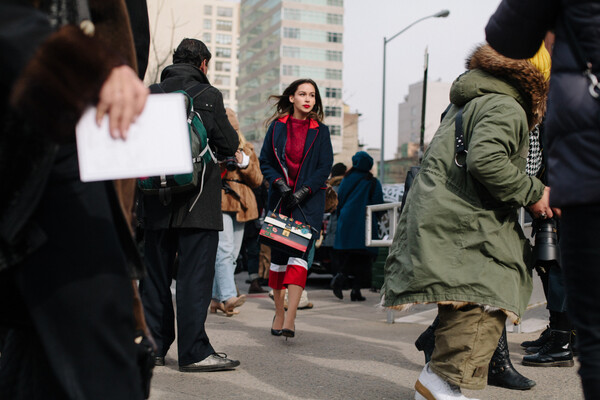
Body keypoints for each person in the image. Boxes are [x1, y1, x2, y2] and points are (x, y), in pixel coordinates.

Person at [382, 43, 552, 399]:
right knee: (485, 298)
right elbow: (487, 160)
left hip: (448, 217)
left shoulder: (471, 98)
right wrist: (534, 192)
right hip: (466, 222)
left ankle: (441, 383)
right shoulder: (507, 105)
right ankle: (441, 385)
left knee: (468, 300)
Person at [0, 1, 151, 398]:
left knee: (42, 359)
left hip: (86, 142)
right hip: (41, 140)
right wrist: (91, 66)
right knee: (105, 361)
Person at [486, 3, 600, 397]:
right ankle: (559, 336)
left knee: (591, 326)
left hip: (586, 169)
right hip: (577, 170)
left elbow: (506, 37)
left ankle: (561, 338)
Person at [138, 38, 240, 372]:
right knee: (194, 279)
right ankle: (194, 351)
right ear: (203, 64)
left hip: (155, 202)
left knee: (154, 279)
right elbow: (228, 143)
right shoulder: (208, 95)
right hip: (198, 203)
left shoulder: (150, 93)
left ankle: (153, 348)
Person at [259, 78, 333, 338]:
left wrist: (304, 191)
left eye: (312, 95)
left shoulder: (320, 131)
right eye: (302, 94)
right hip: (281, 201)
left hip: (308, 204)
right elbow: (265, 161)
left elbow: (325, 167)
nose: (307, 99)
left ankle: (291, 318)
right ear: (291, 97)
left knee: (299, 259)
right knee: (278, 262)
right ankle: (279, 313)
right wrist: (279, 184)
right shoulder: (277, 127)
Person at [210, 108, 263, 315]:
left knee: (231, 255)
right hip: (221, 200)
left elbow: (258, 180)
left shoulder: (247, 149)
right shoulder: (212, 146)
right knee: (223, 251)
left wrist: (245, 163)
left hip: (242, 205)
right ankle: (228, 296)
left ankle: (216, 299)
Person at [332, 152, 383, 301]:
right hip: (364, 223)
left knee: (348, 256)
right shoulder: (372, 181)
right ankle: (356, 291)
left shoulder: (346, 179)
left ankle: (340, 277)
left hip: (346, 222)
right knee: (362, 259)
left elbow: (339, 200)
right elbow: (378, 203)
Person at [320, 162, 346, 286]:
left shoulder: (331, 187)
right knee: (342, 256)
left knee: (334, 255)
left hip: (332, 225)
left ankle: (336, 278)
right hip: (342, 226)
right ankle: (340, 279)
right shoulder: (345, 186)